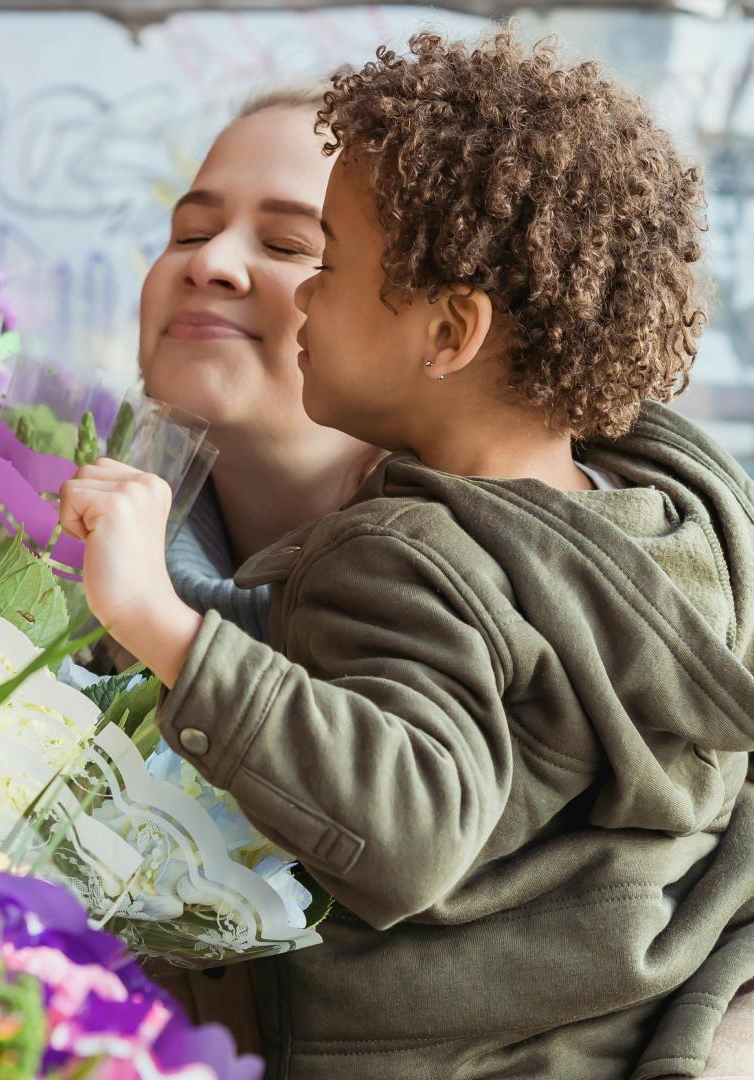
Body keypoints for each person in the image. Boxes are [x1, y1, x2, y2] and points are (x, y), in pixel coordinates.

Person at [62, 30, 754, 1080]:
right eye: (189, 230)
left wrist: (157, 619)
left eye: (322, 262)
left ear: (449, 335)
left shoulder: (404, 555)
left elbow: (408, 821)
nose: (299, 294)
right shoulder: (668, 513)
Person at [139, 85, 381, 644]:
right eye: (191, 233)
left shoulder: (463, 617)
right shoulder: (49, 536)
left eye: (287, 245)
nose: (209, 260)